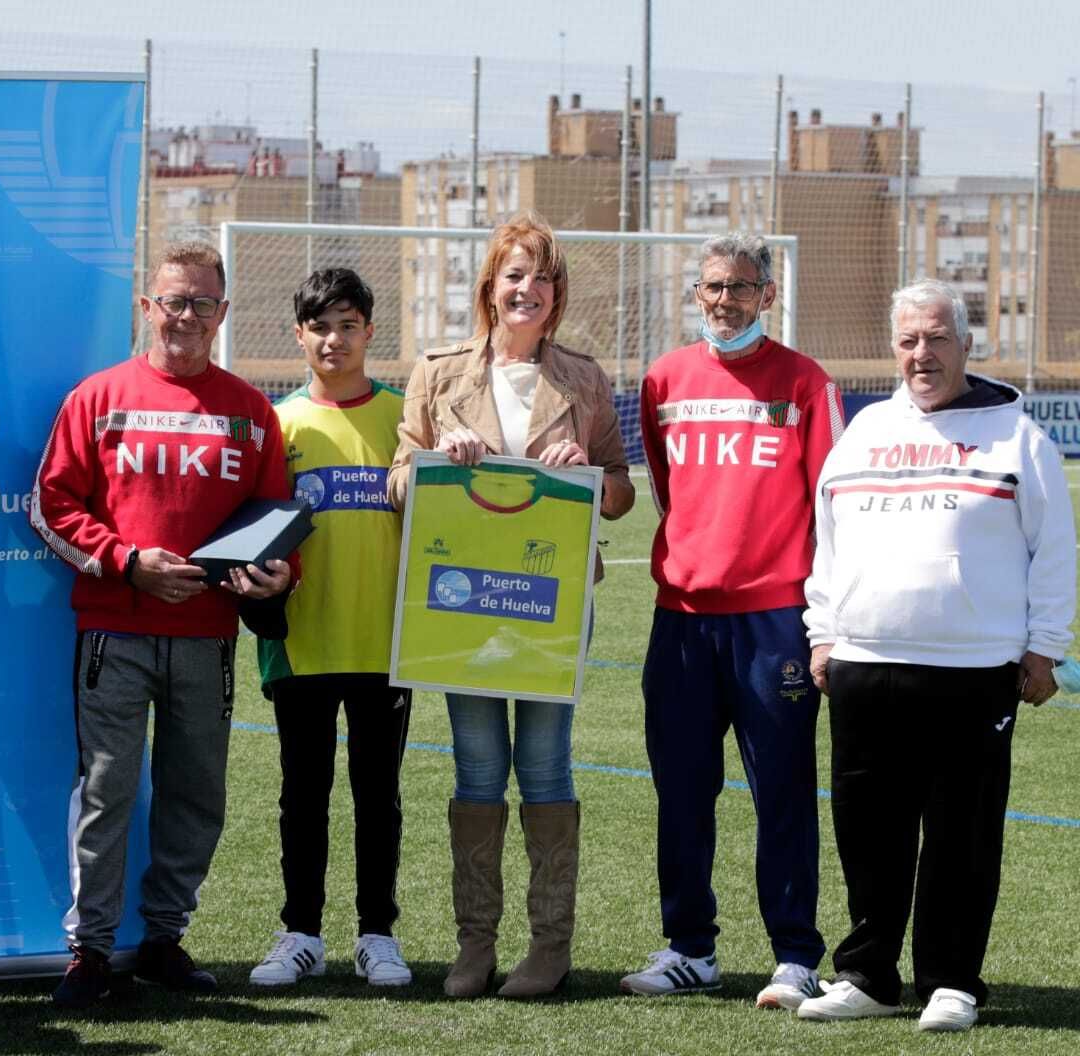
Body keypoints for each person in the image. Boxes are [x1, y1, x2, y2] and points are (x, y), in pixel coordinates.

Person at [795, 279, 1074, 1032]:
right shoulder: (865, 430)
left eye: (938, 339)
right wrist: (823, 631)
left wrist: (1046, 648)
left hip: (975, 669)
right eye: (910, 341)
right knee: (867, 830)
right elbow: (827, 538)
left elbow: (1055, 551)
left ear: (965, 345)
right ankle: (867, 975)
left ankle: (952, 980)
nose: (923, 355)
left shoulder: (1019, 436)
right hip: (863, 661)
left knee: (963, 830)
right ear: (896, 349)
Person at [31, 240, 296, 1010]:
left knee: (196, 792)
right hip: (115, 630)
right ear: (147, 308)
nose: (185, 316)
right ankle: (90, 951)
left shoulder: (250, 411)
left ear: (222, 313)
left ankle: (163, 937)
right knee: (109, 789)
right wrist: (127, 563)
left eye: (201, 303)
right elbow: (50, 506)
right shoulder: (98, 396)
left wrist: (277, 574)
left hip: (209, 636)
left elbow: (274, 523)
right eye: (172, 301)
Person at [388, 211, 635, 999]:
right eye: (514, 274)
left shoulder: (585, 379)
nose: (527, 288)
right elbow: (395, 484)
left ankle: (548, 948)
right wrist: (436, 461)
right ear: (491, 287)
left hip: (552, 599)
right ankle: (474, 946)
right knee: (478, 764)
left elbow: (623, 491)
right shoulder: (437, 373)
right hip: (461, 602)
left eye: (542, 277)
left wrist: (584, 471)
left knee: (544, 760)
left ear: (557, 295)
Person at [623, 232, 842, 1008]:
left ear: (767, 297)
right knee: (681, 790)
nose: (725, 301)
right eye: (713, 287)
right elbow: (665, 488)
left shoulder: (805, 382)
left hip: (773, 620)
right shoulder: (663, 380)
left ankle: (795, 954)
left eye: (741, 288)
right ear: (698, 294)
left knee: (781, 789)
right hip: (681, 617)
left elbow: (832, 507)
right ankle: (690, 948)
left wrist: (822, 620)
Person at [248, 269, 412, 988]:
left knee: (379, 795)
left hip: (386, 643)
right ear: (300, 336)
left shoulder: (408, 420)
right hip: (302, 642)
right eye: (320, 326)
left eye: (348, 324)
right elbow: (254, 533)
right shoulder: (277, 425)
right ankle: (301, 931)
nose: (334, 338)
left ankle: (377, 933)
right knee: (302, 794)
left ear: (370, 332)